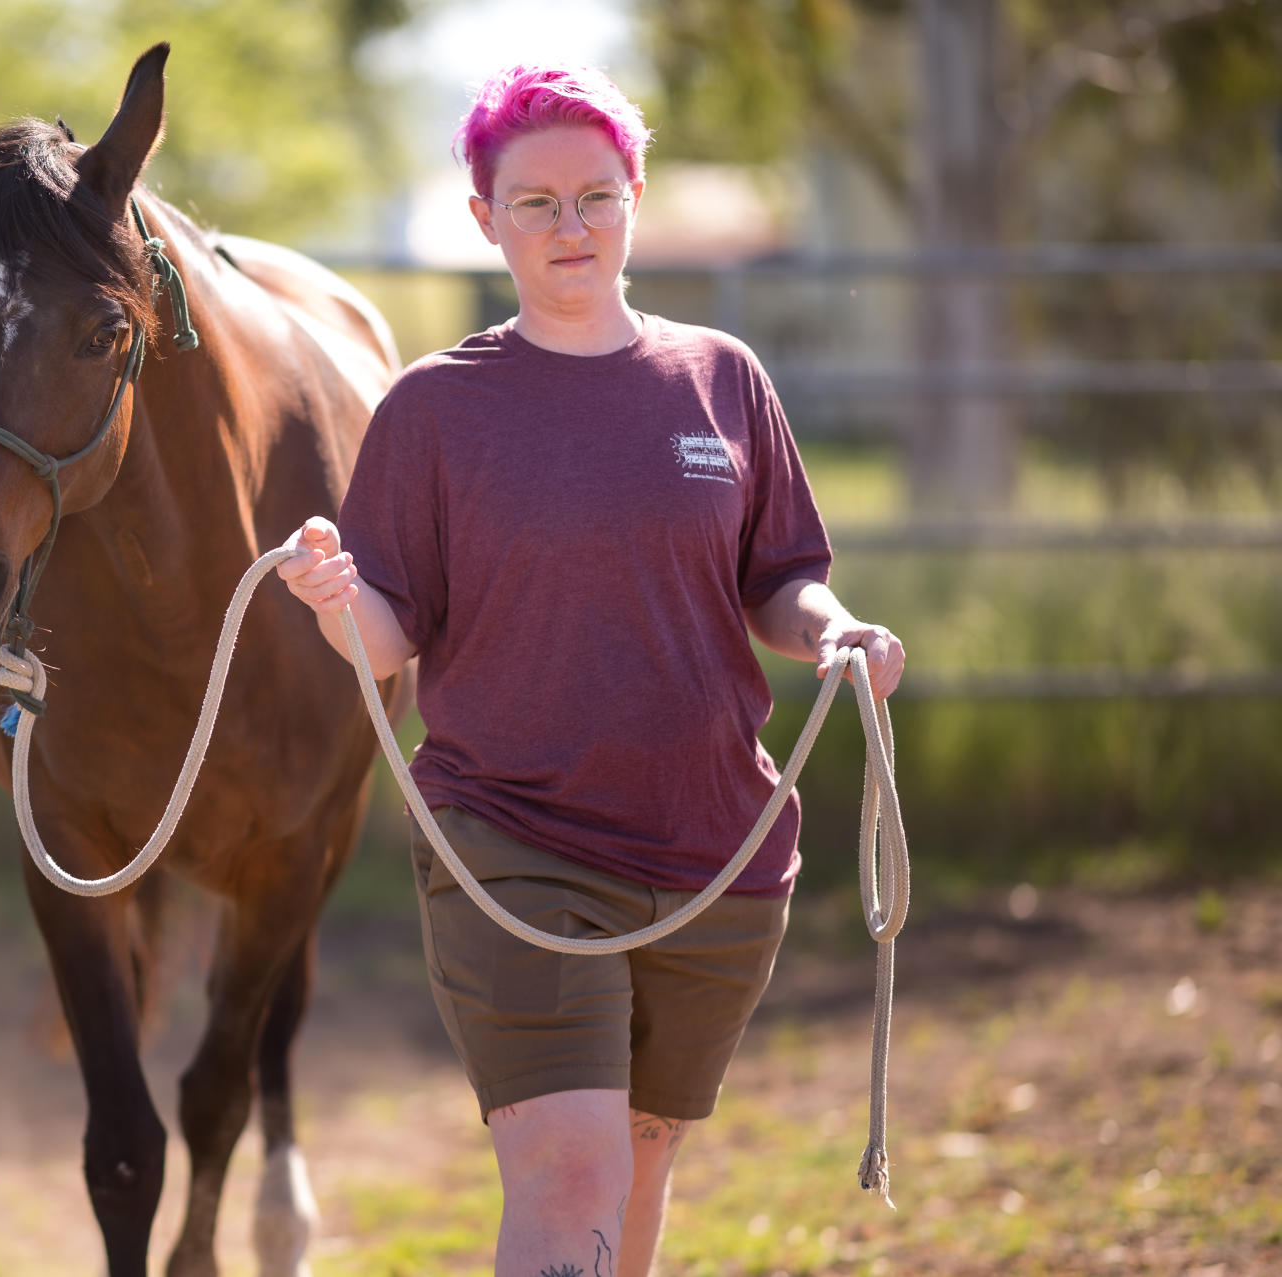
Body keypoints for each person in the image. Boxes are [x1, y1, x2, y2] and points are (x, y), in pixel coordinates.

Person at [277, 63, 906, 1276]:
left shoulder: (722, 378)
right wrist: (331, 603)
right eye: (535, 204)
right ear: (483, 219)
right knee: (571, 1172)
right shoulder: (432, 411)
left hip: (715, 851)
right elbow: (386, 642)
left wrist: (834, 628)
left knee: (637, 1167)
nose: (571, 228)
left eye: (596, 197)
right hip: (514, 840)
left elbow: (782, 573)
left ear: (634, 198)